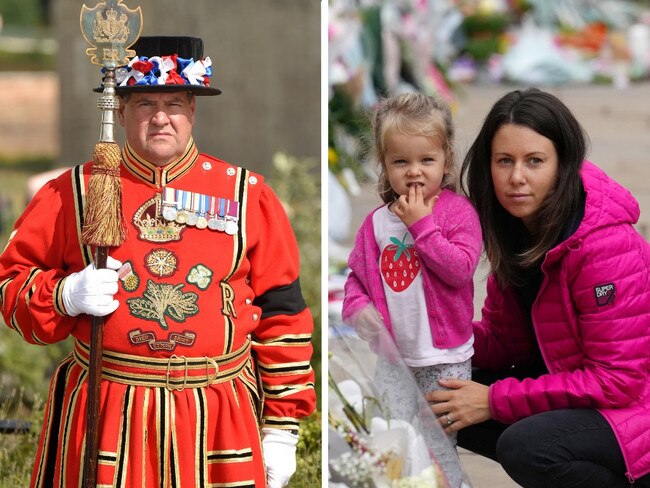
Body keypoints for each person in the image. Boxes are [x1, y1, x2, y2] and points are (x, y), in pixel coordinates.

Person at [0, 36, 316, 488]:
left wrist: (283, 427)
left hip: (217, 417)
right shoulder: (75, 192)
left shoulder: (247, 196)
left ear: (194, 108)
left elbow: (282, 314)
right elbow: (9, 283)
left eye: (174, 102)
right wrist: (65, 295)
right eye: (145, 102)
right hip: (105, 409)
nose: (161, 116)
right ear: (122, 112)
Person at [427, 87, 650, 488]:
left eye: (535, 161)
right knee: (436, 387)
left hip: (635, 408)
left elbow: (617, 380)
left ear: (562, 164)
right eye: (504, 161)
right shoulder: (516, 230)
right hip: (578, 386)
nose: (517, 177)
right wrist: (428, 331)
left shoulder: (602, 246)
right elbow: (507, 343)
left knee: (527, 446)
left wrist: (492, 401)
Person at [341, 92, 482, 486]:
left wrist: (422, 225)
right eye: (401, 161)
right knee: (392, 442)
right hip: (394, 359)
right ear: (384, 165)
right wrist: (358, 307)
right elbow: (357, 278)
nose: (414, 172)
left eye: (426, 160)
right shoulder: (376, 223)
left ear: (446, 160)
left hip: (445, 359)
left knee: (437, 447)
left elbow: (459, 270)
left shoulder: (457, 214)